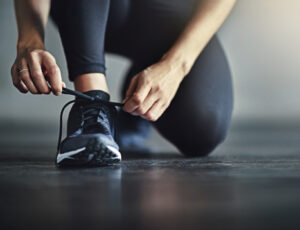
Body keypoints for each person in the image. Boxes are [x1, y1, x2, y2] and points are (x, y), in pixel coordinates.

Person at [11, 0, 235, 167]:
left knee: (203, 128)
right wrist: (29, 41)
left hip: (170, 13)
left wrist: (176, 65)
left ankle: (136, 97)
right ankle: (91, 106)